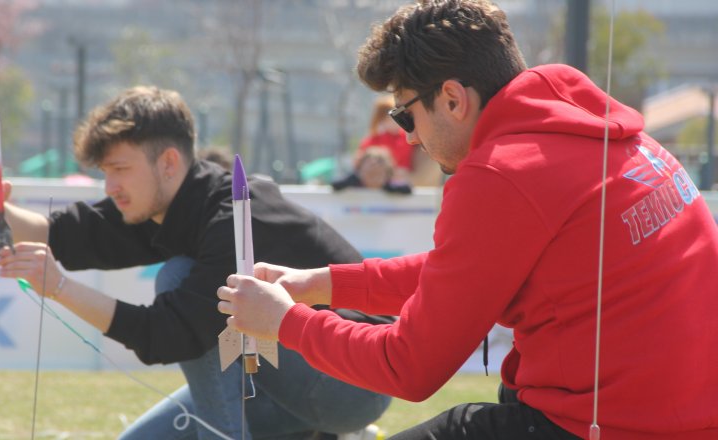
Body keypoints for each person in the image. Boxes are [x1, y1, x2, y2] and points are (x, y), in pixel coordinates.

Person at [216, 1, 718, 439]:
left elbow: (408, 367)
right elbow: (463, 271)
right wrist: (321, 284)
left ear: (453, 99)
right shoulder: (590, 128)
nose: (408, 137)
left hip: (609, 426)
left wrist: (283, 321)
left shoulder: (501, 173)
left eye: (405, 114)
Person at [0, 86, 391, 440]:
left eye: (119, 169)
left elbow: (168, 334)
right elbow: (68, 234)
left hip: (352, 385)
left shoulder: (236, 216)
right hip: (280, 384)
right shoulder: (164, 203)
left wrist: (60, 288)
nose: (109, 186)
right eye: (104, 172)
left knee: (179, 276)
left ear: (168, 162)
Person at [331, 146, 412, 194]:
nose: (374, 165)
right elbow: (335, 184)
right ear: (360, 169)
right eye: (370, 173)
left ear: (387, 173)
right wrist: (356, 178)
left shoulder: (391, 187)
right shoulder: (354, 183)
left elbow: (407, 188)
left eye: (378, 174)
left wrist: (388, 186)